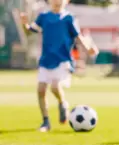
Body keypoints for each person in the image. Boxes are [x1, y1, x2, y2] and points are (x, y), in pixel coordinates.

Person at [20, 0, 98, 132]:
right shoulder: (43, 17)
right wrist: (24, 24)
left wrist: (88, 49)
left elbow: (78, 37)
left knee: (55, 87)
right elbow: (29, 31)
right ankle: (45, 122)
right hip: (46, 60)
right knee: (41, 90)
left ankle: (62, 103)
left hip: (63, 60)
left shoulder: (69, 18)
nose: (57, 1)